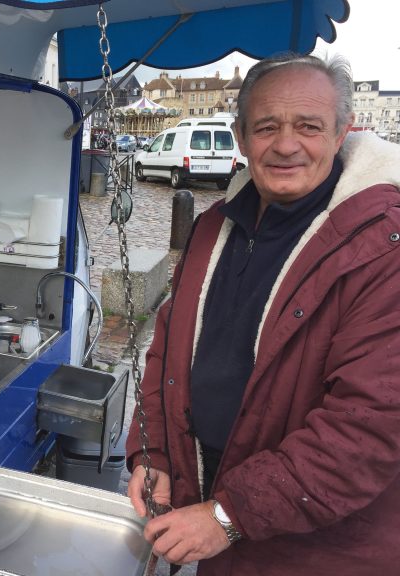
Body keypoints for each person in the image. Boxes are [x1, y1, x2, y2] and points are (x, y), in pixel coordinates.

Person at [126, 52, 400, 575]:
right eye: (267, 126)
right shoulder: (213, 228)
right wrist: (154, 451)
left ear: (342, 133)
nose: (286, 144)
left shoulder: (383, 249)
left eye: (309, 126)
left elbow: (368, 428)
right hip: (221, 525)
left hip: (322, 551)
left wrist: (230, 515)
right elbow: (166, 356)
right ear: (241, 136)